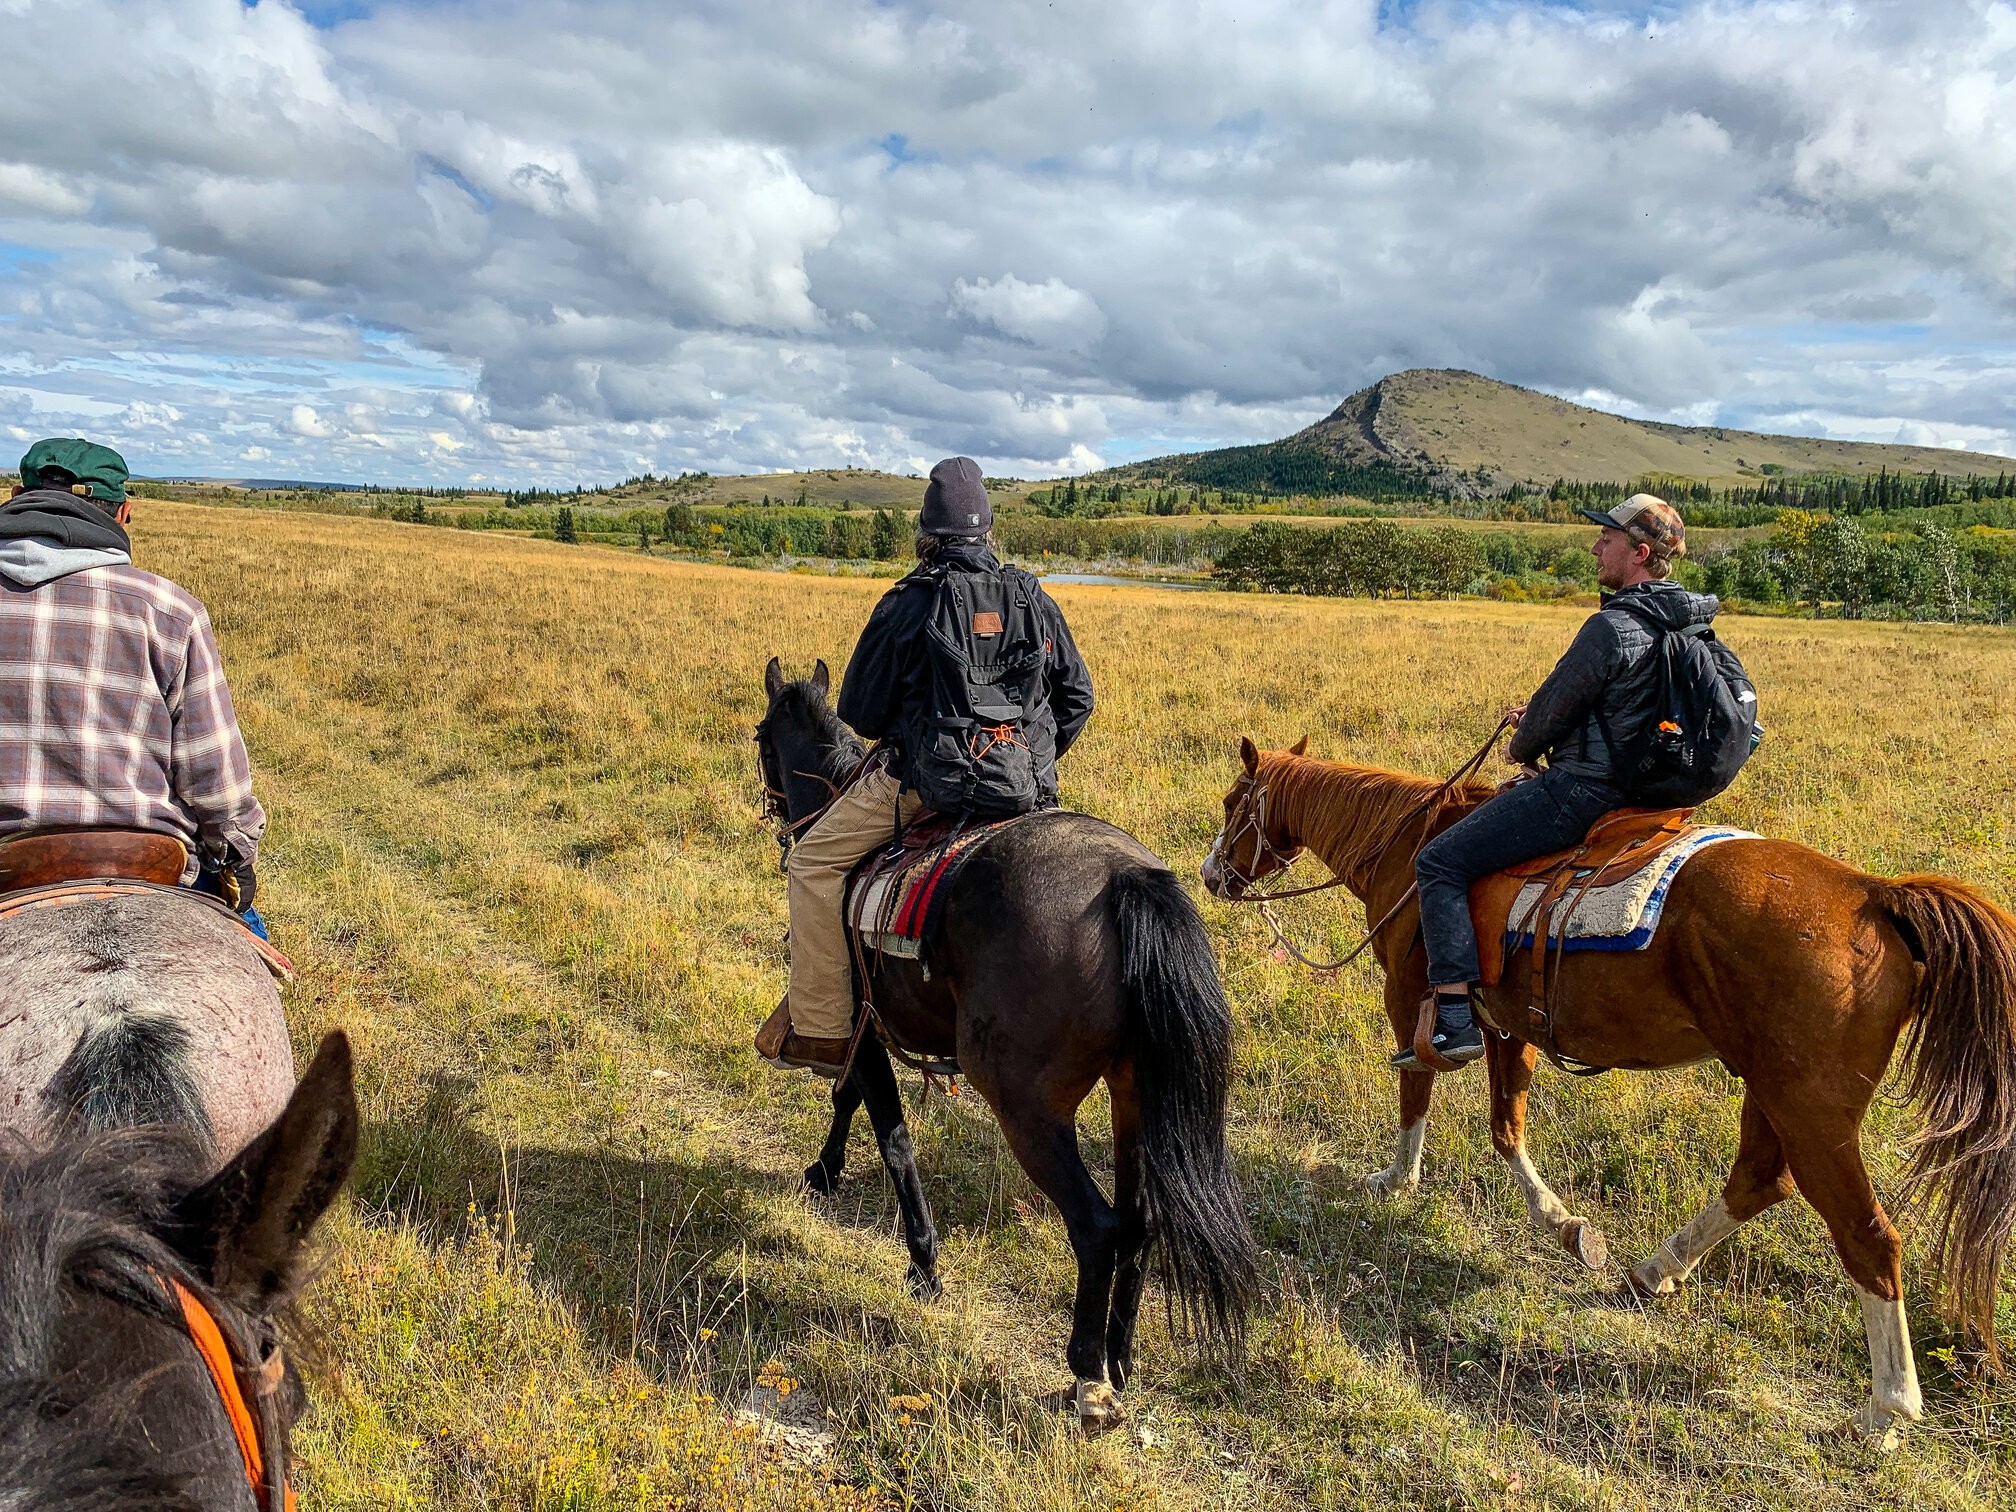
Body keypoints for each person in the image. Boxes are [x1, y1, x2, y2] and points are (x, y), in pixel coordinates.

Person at [758, 457, 1095, 1075]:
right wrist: (1029, 761)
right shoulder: (1032, 597)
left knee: (810, 862)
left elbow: (858, 709)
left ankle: (826, 1031)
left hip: (926, 788)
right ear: (988, 529)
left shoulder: (909, 603)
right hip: (1027, 791)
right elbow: (1078, 698)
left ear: (927, 534)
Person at [1395, 493, 1717, 1071]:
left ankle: (1451, 1015)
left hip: (1583, 795)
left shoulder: (1612, 627)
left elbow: (1545, 719)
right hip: (1651, 798)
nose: (1596, 547)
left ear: (1639, 554)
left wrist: (1526, 740)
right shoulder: (1695, 625)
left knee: (1439, 861)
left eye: (1608, 540)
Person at [0, 438, 268, 934]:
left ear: (17, 494)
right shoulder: (169, 610)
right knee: (257, 955)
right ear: (123, 512)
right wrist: (234, 855)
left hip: (6, 868)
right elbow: (216, 780)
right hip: (148, 860)